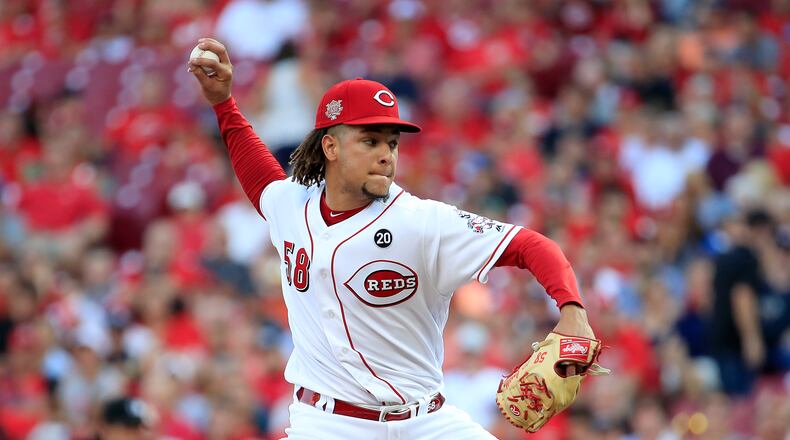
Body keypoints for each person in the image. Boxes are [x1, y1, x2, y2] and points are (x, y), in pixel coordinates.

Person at [188, 38, 598, 439]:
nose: (387, 154)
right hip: (327, 424)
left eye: (392, 142)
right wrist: (223, 103)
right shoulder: (291, 205)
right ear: (330, 145)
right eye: (370, 141)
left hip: (426, 421)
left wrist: (573, 311)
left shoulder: (423, 222)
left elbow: (533, 245)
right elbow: (258, 173)